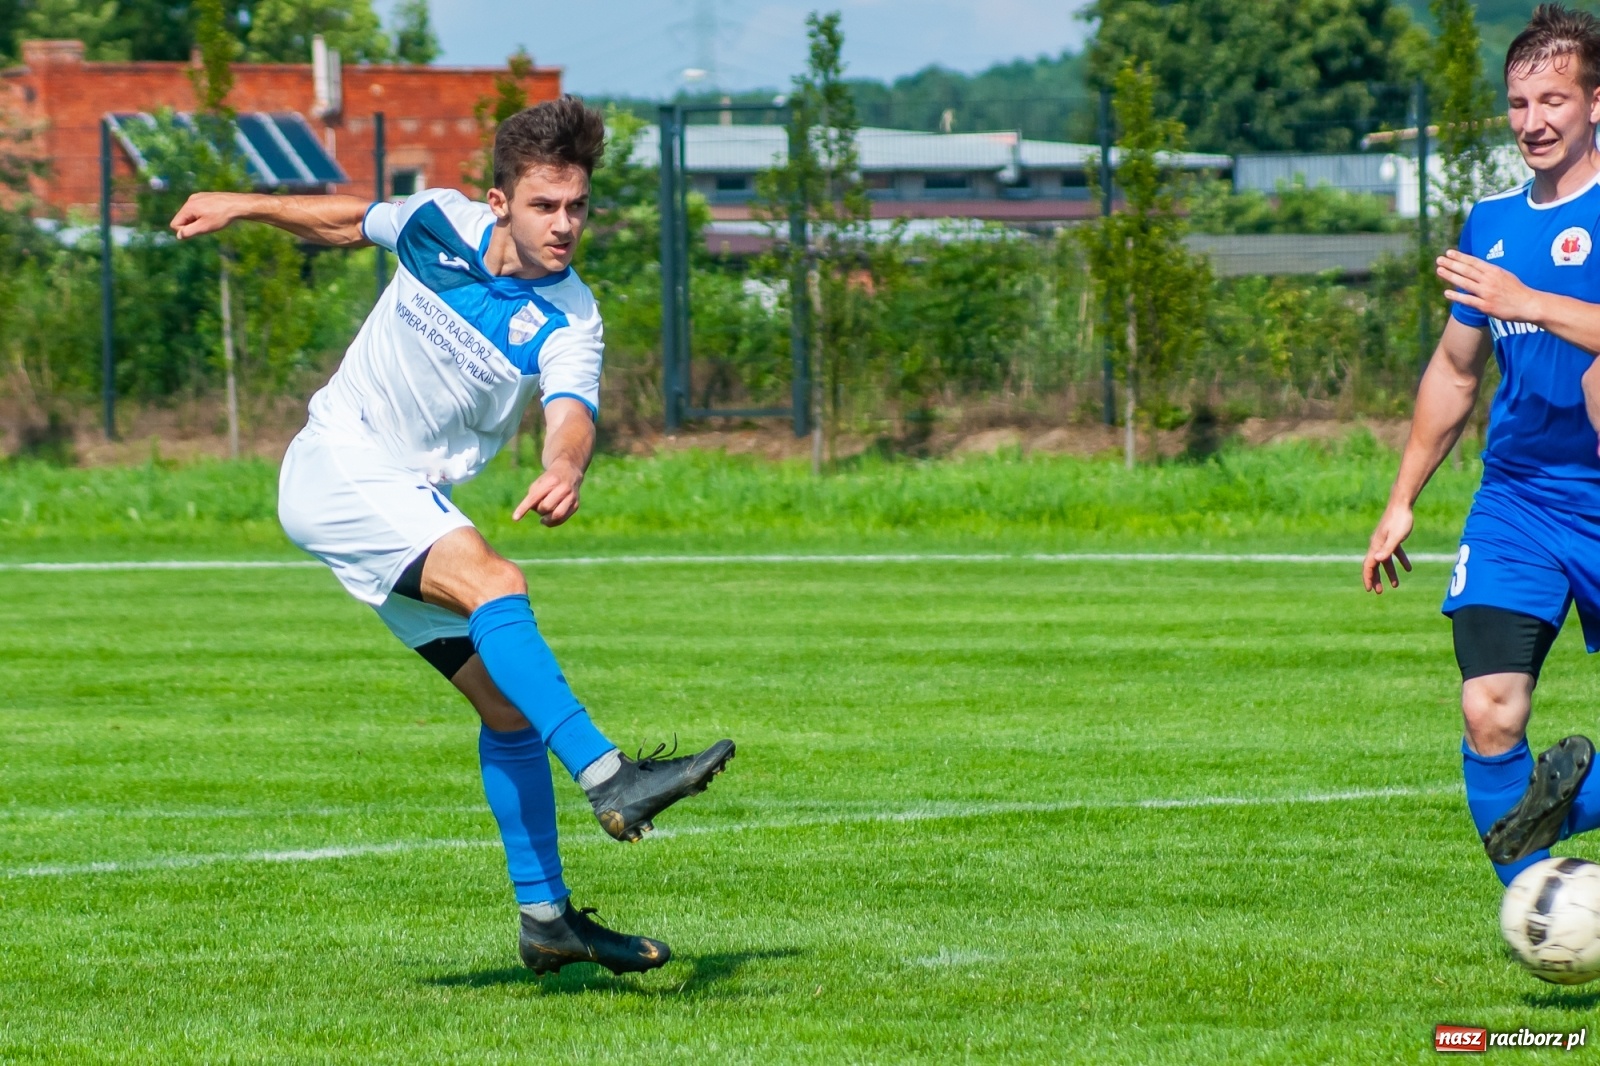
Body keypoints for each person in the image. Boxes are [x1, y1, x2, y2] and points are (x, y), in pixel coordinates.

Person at [169, 96, 734, 974]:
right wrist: (246, 204)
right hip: (339, 463)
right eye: (546, 206)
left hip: (401, 498)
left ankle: (545, 919)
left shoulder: (571, 316)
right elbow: (352, 220)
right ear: (499, 201)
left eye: (578, 206)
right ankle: (608, 777)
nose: (565, 225)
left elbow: (571, 410)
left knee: (507, 708)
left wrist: (567, 463)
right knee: (496, 583)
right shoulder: (438, 221)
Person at [1366, 4, 1600, 887]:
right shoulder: (1492, 222)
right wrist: (1401, 499)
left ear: (1596, 103)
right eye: (1516, 103)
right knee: (1488, 710)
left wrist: (1527, 298)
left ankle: (1562, 810)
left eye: (1553, 101)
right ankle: (1539, 910)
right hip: (1521, 501)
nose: (1533, 122)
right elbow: (1457, 373)